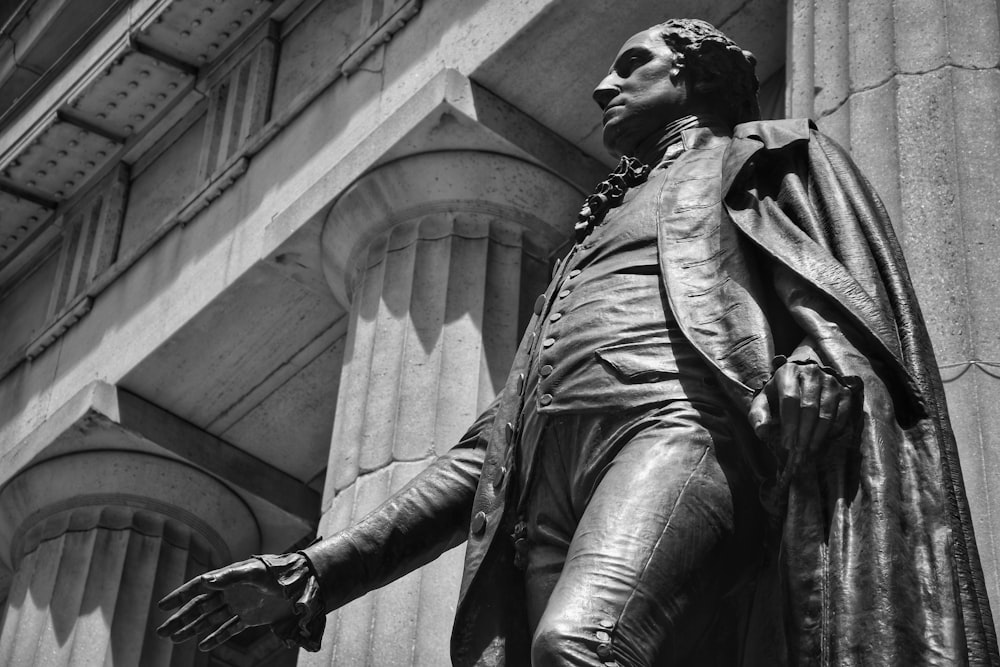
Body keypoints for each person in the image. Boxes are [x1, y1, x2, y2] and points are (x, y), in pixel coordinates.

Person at [157, 19, 998, 666]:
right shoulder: (586, 240)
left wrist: (817, 365)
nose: (602, 85)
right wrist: (321, 569)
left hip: (678, 430)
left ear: (698, 73)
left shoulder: (764, 157)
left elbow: (839, 301)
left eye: (632, 64)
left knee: (579, 645)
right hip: (545, 493)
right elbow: (491, 448)